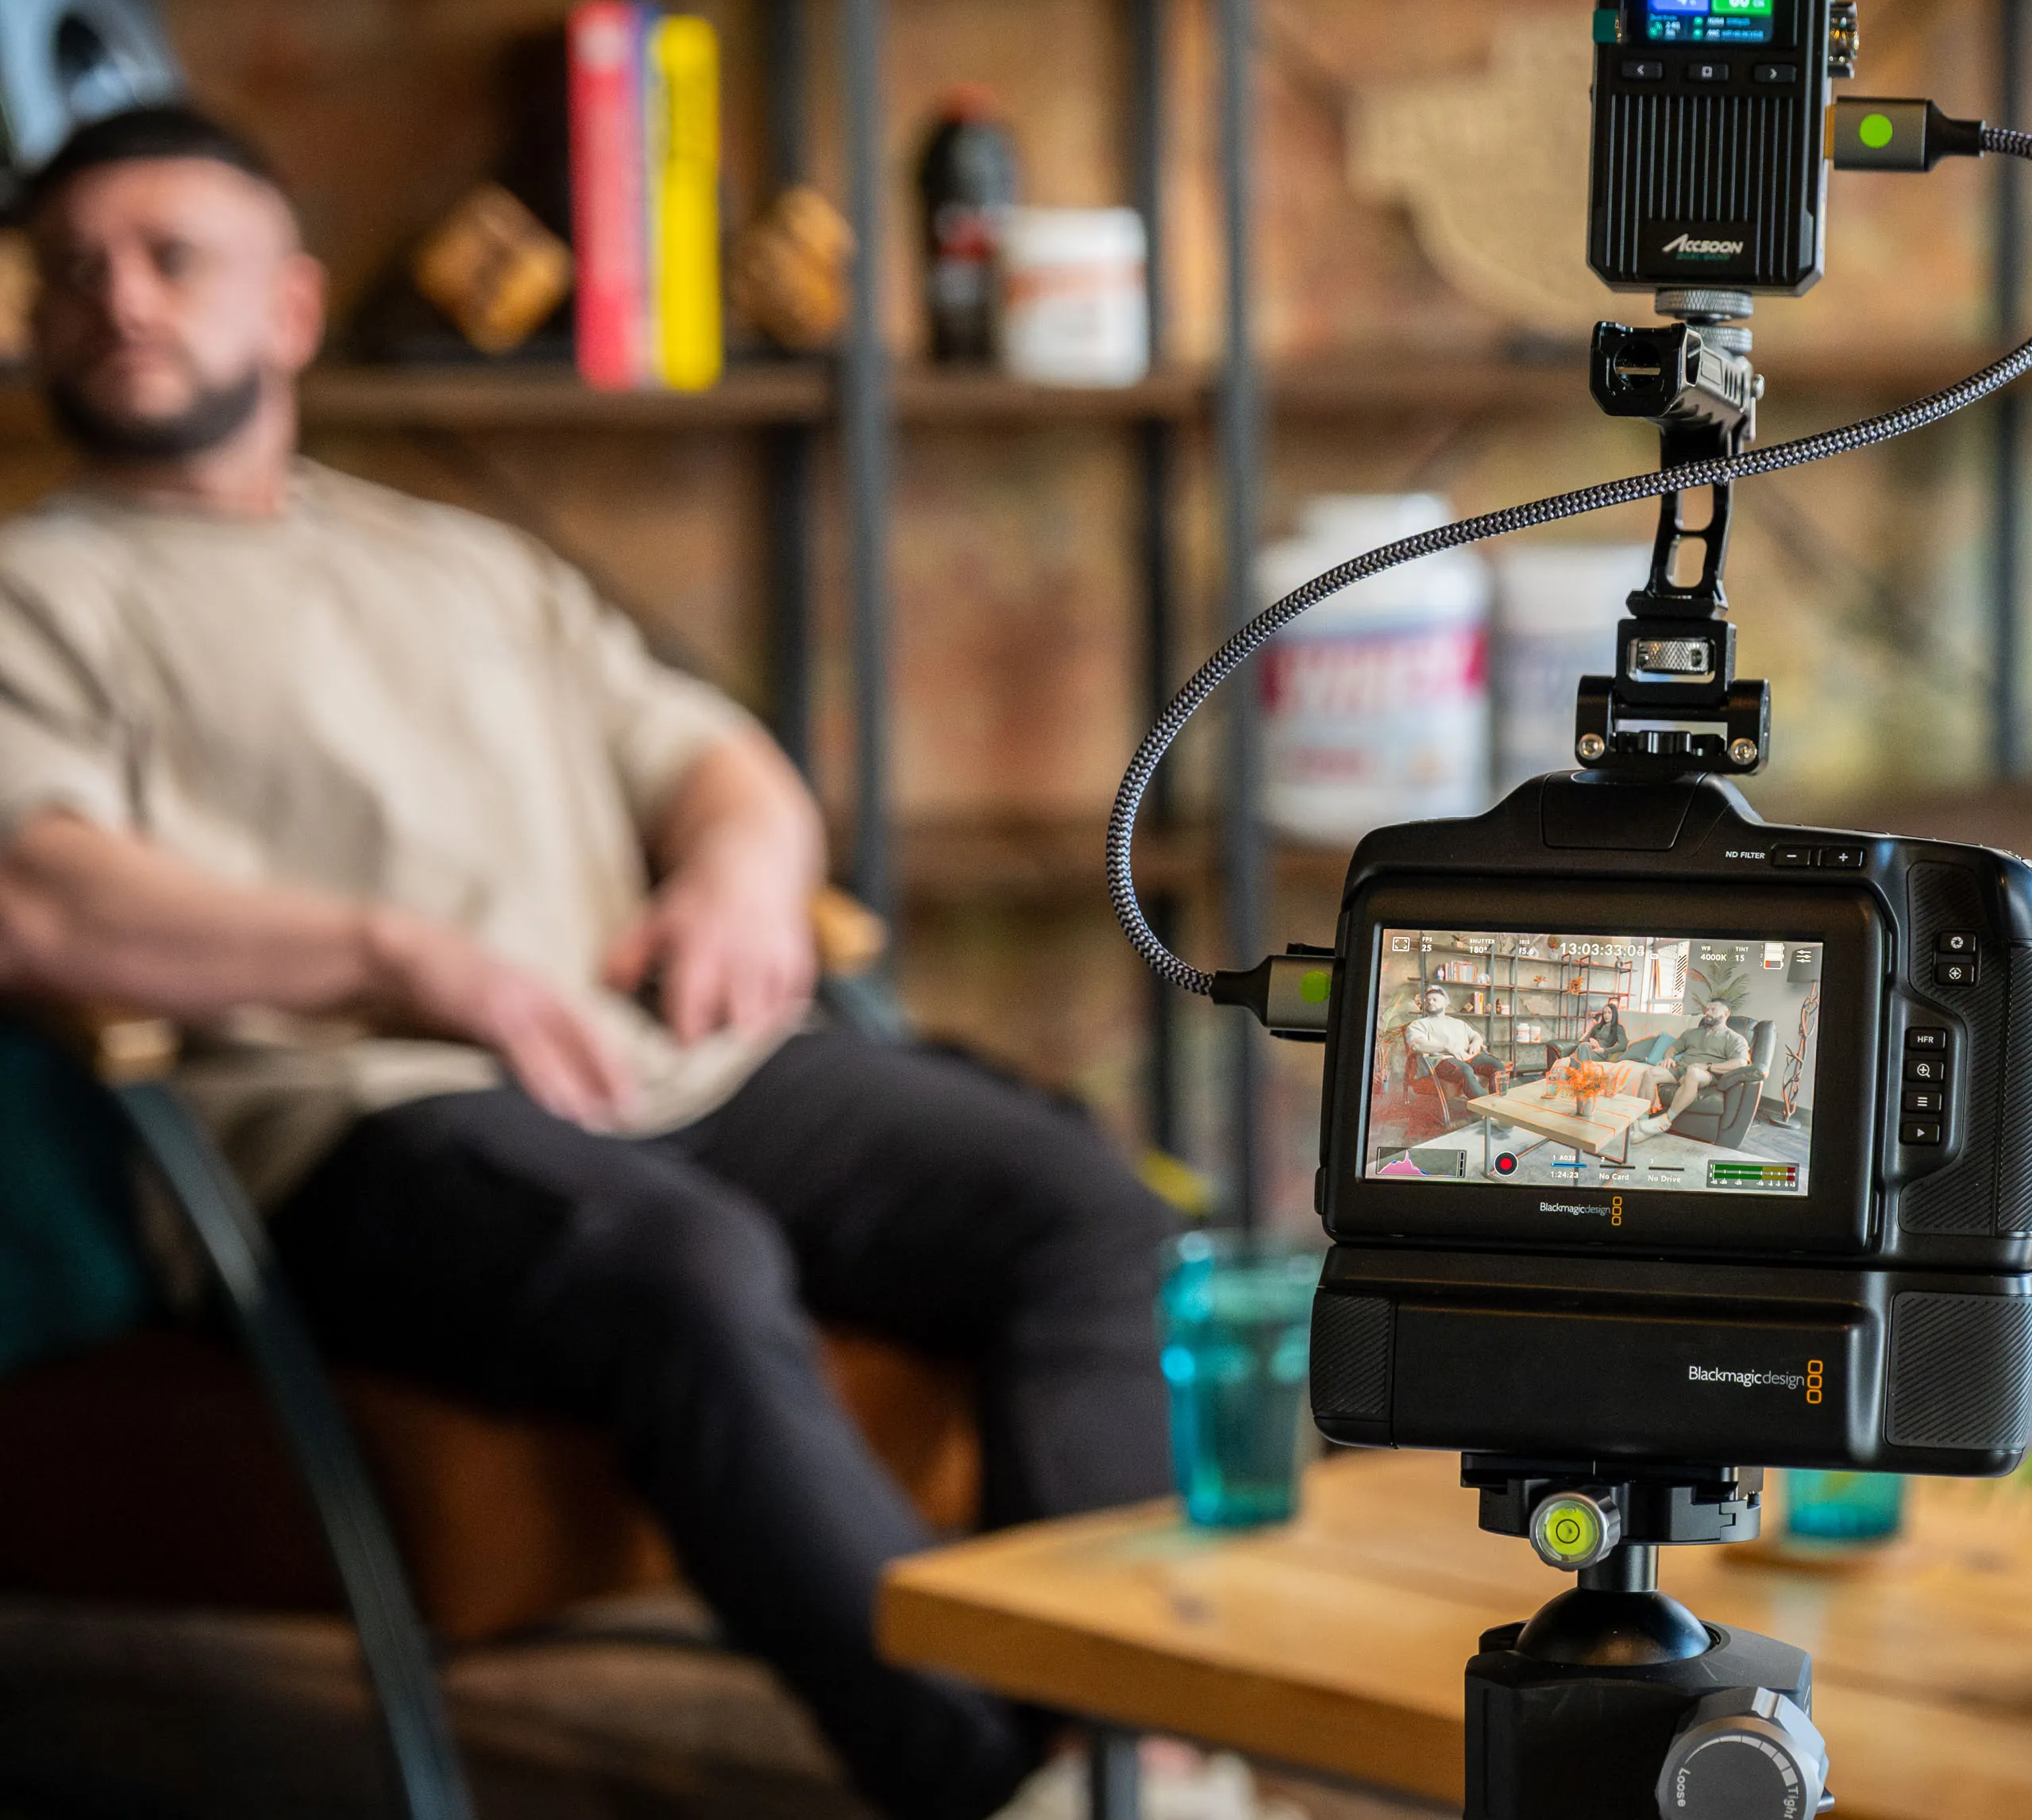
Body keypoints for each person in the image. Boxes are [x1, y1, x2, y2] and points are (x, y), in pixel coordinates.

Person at [0, 104, 1175, 1820]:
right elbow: (37, 897)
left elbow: (708, 754)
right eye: (73, 271)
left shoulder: (458, 558)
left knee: (1081, 1200)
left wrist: (745, 875)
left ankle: (1127, 1733)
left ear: (294, 309)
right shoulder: (38, 589)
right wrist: (407, 961)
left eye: (173, 257)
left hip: (653, 1057)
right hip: (353, 1119)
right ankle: (1009, 1786)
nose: (122, 299)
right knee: (675, 1264)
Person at [1631, 997, 1760, 1139]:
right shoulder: (1692, 1033)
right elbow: (1673, 1048)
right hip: (1682, 1069)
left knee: (1693, 1073)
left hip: (1706, 1074)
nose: (1708, 1013)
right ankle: (1643, 1125)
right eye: (1707, 1009)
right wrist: (1668, 1057)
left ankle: (1665, 1121)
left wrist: (1708, 1066)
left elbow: (1740, 1063)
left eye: (1713, 1010)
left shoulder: (1734, 1039)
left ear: (1726, 1014)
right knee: (1650, 1073)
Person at [1402, 986, 1501, 1108]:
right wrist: (1446, 1047)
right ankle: (1486, 1109)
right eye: (1427, 1000)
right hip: (1441, 1061)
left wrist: (1476, 1042)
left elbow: (1475, 1035)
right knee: (1465, 1070)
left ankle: (1498, 1104)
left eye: (1434, 999)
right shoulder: (1419, 1024)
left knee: (1497, 1065)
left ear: (1445, 1003)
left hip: (1467, 1056)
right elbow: (1417, 1045)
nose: (1430, 1002)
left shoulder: (1458, 1023)